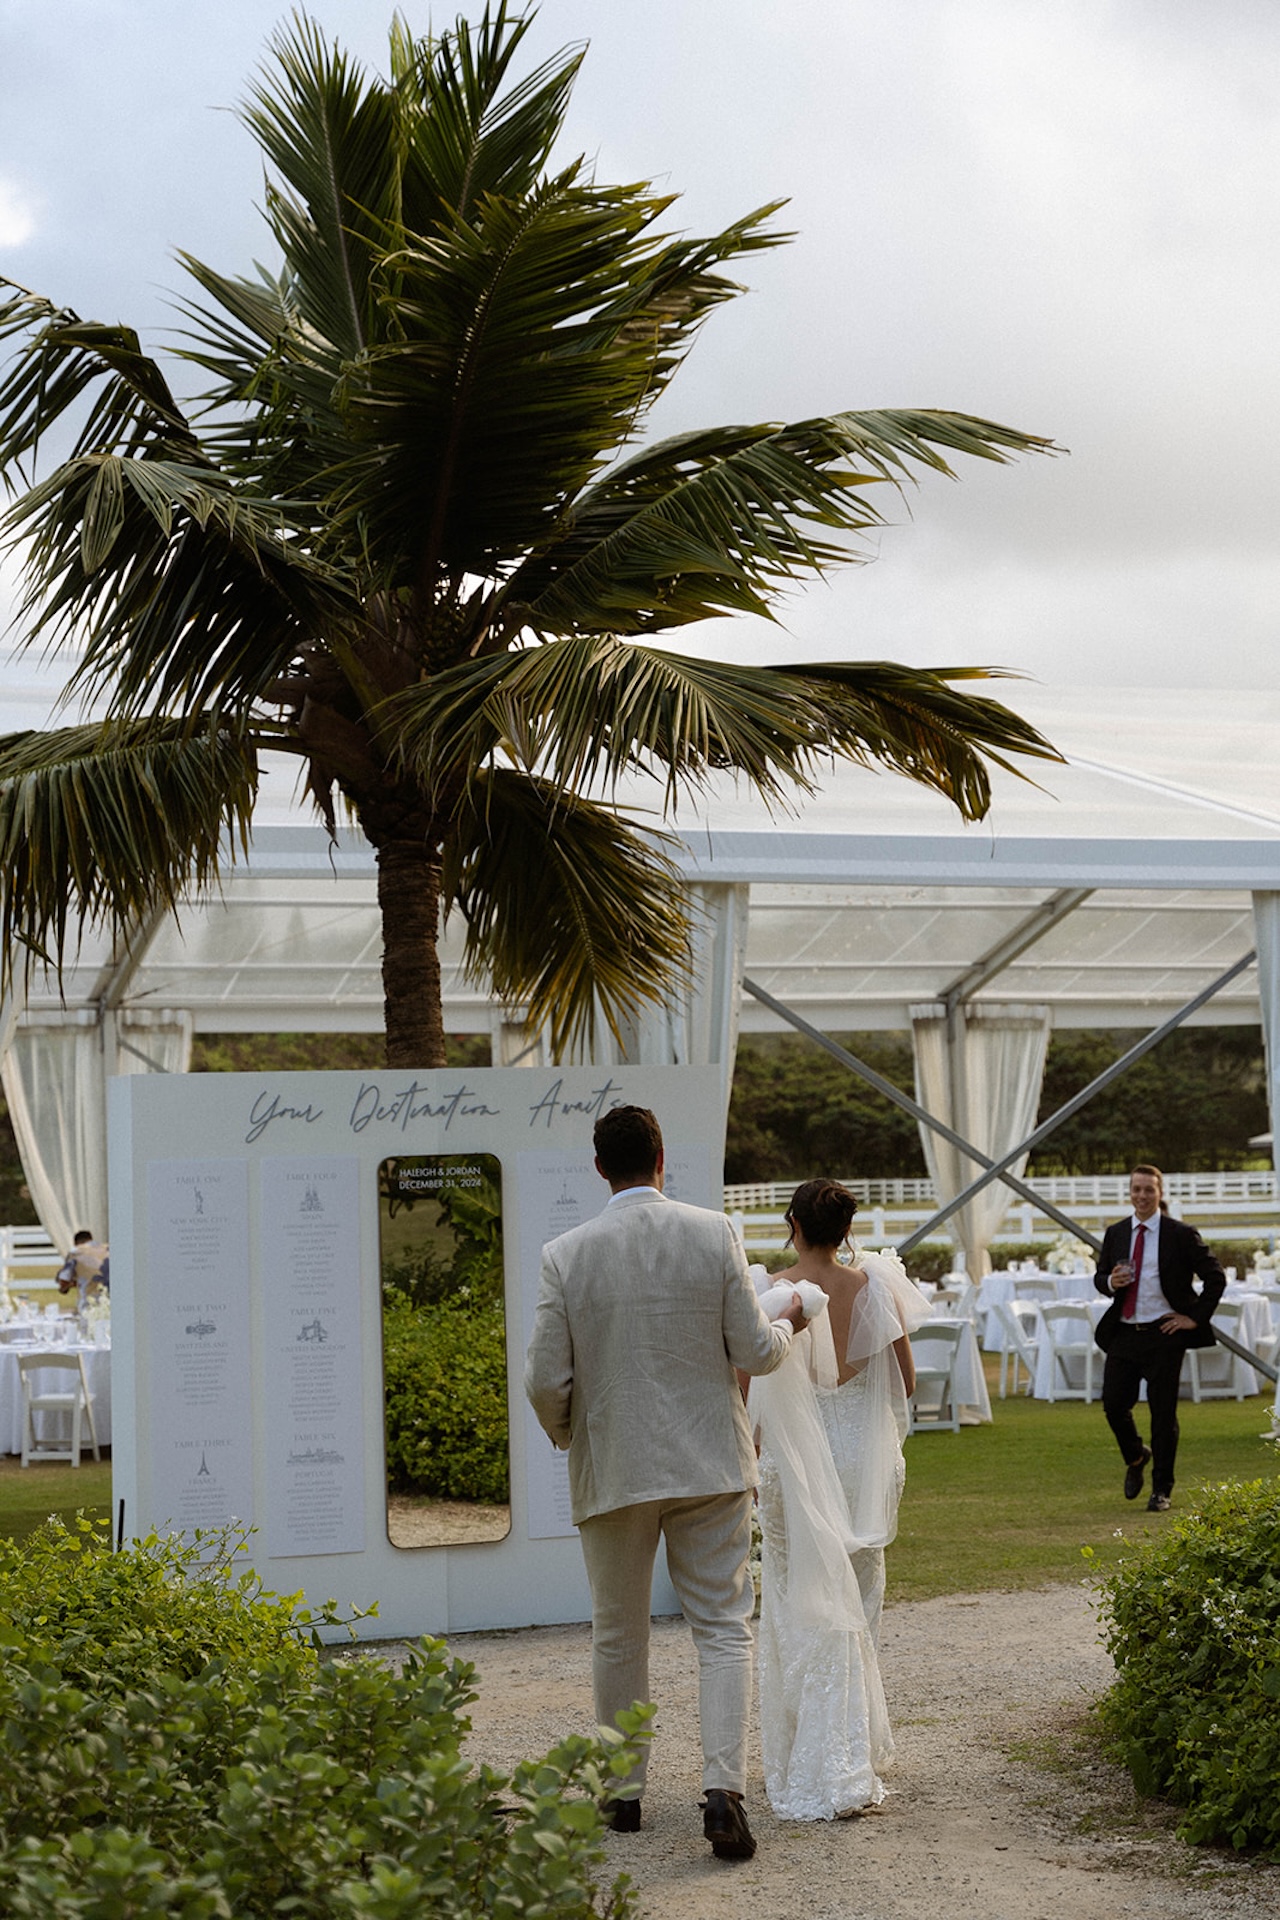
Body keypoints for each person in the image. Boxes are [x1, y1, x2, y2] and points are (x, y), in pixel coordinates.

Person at [524, 1104, 805, 1862]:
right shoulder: (714, 1231)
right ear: (661, 1157)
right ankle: (722, 1792)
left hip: (614, 1463)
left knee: (619, 1633)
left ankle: (622, 1795)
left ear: (597, 1167)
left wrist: (569, 1434)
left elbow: (546, 1378)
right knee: (721, 1626)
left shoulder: (565, 1253)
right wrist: (789, 1329)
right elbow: (752, 1347)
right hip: (709, 1461)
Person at [748, 1178, 930, 1820]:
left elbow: (751, 1383)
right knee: (857, 1597)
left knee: (798, 1601)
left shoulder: (770, 1289)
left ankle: (812, 1750)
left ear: (792, 1223)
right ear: (846, 1229)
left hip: (797, 1465)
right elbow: (905, 1383)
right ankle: (853, 1746)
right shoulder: (872, 1285)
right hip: (858, 1464)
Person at [1093, 1164, 1225, 1512]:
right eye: (1136, 1189)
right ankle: (1137, 1456)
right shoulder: (1117, 1233)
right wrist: (1109, 1283)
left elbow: (1215, 1277)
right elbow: (1100, 1275)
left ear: (1160, 1193)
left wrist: (1193, 1319)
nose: (1142, 1196)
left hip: (1164, 1334)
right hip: (1124, 1331)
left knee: (1163, 1414)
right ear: (1130, 1192)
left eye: (1148, 1190)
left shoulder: (1180, 1234)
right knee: (1113, 1404)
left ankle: (1161, 1489)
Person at [55, 1230, 109, 1310]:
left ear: (76, 1243)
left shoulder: (76, 1252)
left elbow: (64, 1279)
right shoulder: (108, 1248)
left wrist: (64, 1287)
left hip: (90, 1303)